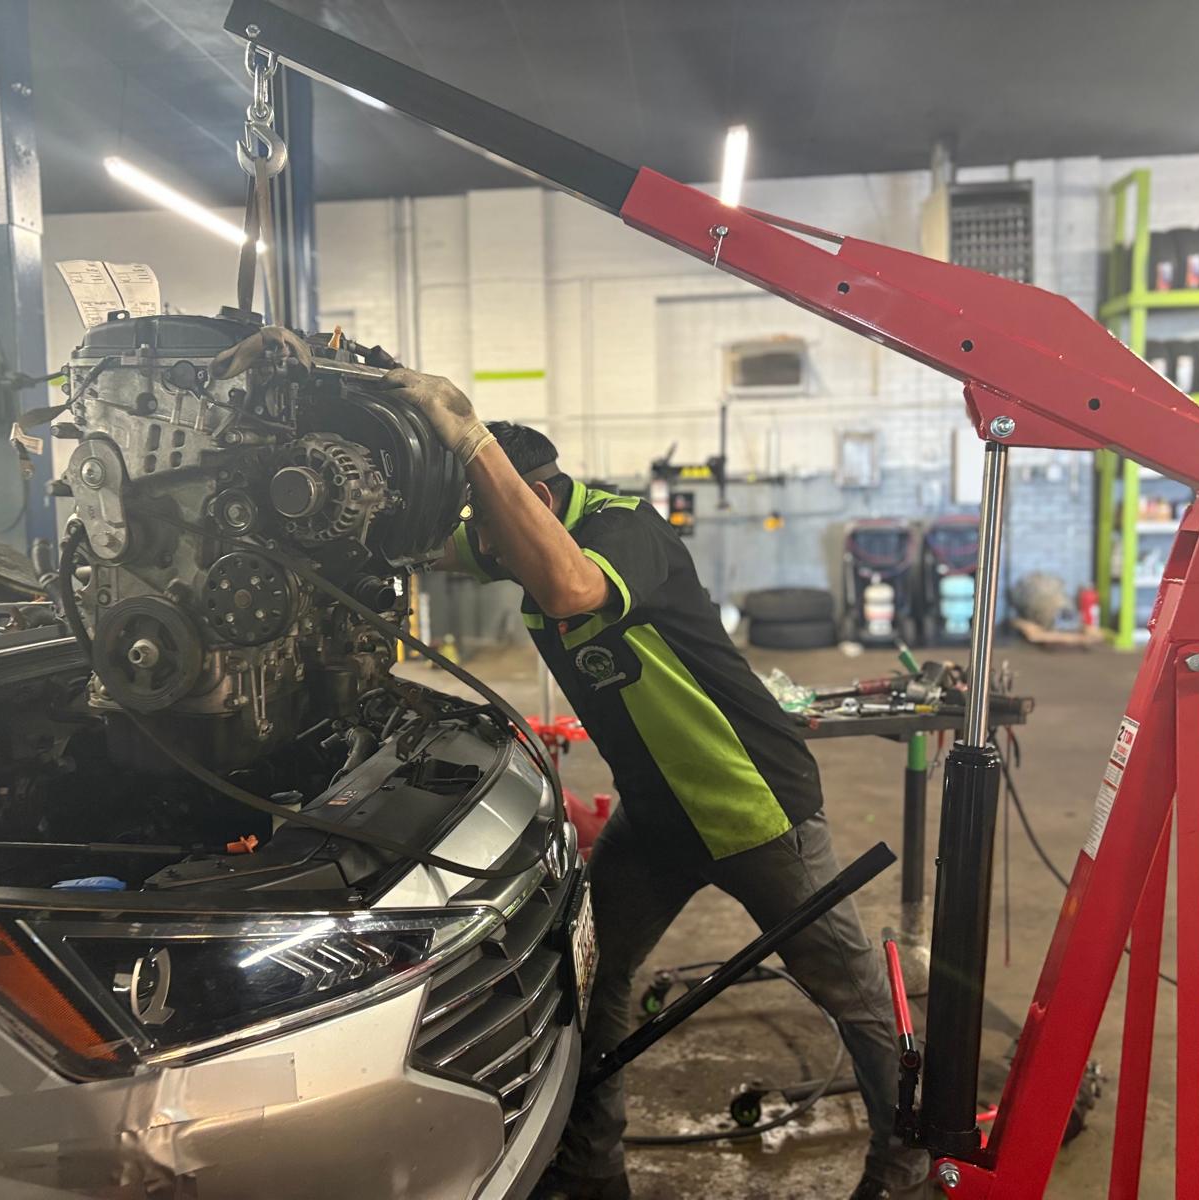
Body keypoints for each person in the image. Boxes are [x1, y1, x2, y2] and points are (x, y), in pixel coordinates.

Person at [379, 366, 929, 1200]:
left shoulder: (618, 527)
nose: (482, 547)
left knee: (850, 996)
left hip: (751, 803)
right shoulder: (515, 537)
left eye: (488, 521)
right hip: (659, 815)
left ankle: (907, 1165)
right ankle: (592, 1167)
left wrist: (470, 436)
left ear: (531, 493)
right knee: (596, 980)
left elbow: (571, 587)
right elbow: (426, 547)